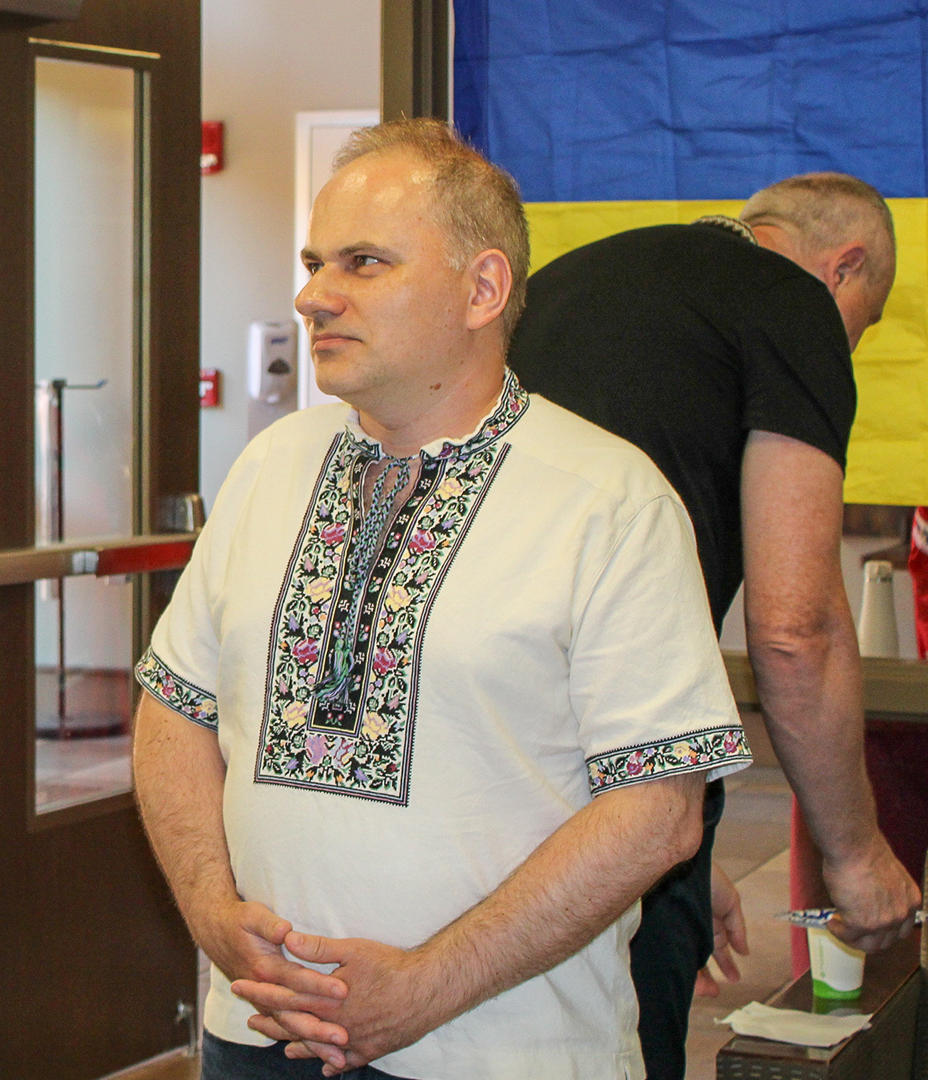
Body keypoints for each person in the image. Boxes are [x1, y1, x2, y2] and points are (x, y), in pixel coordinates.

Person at [132, 118, 752, 1080]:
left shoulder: (610, 502)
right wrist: (213, 911)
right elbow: (174, 709)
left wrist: (427, 986)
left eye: (363, 262)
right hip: (257, 1033)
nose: (313, 295)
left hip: (502, 1054)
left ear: (483, 289)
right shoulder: (269, 466)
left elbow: (658, 808)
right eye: (314, 263)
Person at [510, 172, 921, 1080]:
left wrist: (685, 853)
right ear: (845, 267)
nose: (847, 344)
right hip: (614, 759)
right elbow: (796, 629)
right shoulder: (792, 303)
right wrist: (857, 856)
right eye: (863, 321)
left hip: (489, 754)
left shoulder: (578, 280)